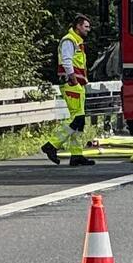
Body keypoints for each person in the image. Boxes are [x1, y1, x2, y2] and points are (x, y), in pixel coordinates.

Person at [42, 13, 94, 166]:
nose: (88, 30)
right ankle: (51, 144)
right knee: (76, 118)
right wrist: (73, 79)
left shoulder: (76, 41)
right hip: (72, 84)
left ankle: (76, 154)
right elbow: (66, 61)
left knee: (80, 121)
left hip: (77, 85)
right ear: (78, 26)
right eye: (86, 27)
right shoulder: (69, 41)